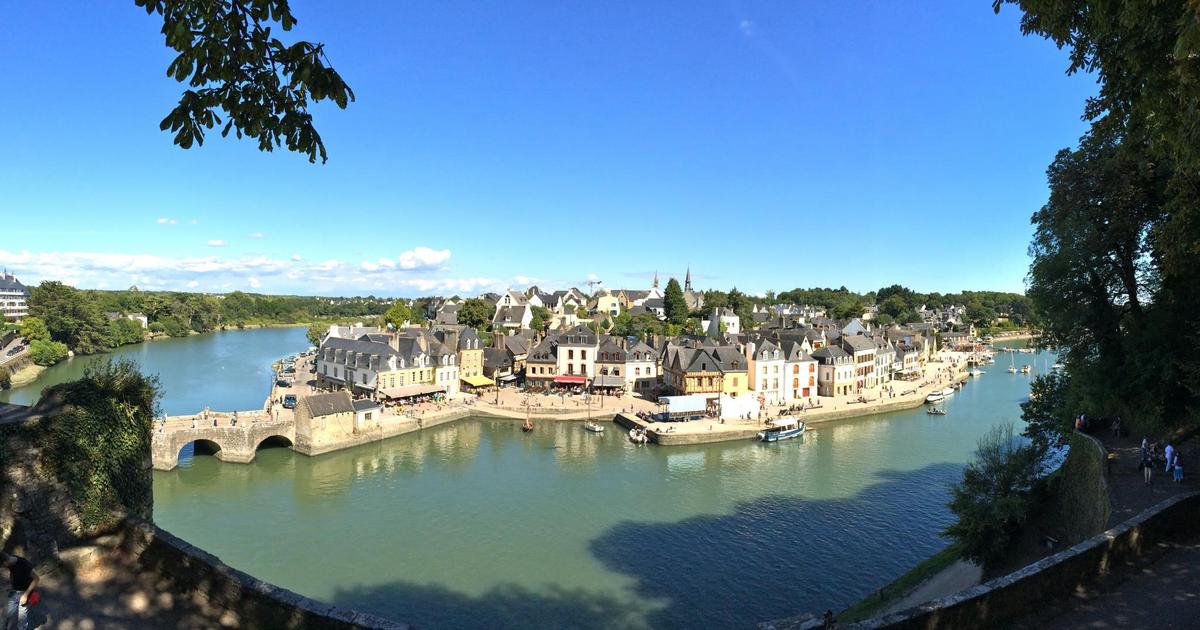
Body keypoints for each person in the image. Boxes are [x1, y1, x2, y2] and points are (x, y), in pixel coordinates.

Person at [1, 551, 38, 630]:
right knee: (7, 613)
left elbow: (36, 579)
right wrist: (11, 584)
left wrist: (25, 595)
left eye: (2, 566)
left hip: (25, 593)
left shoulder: (24, 564)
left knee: (22, 619)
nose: (3, 568)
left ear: (5, 563)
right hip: (15, 591)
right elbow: (12, 573)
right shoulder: (10, 562)